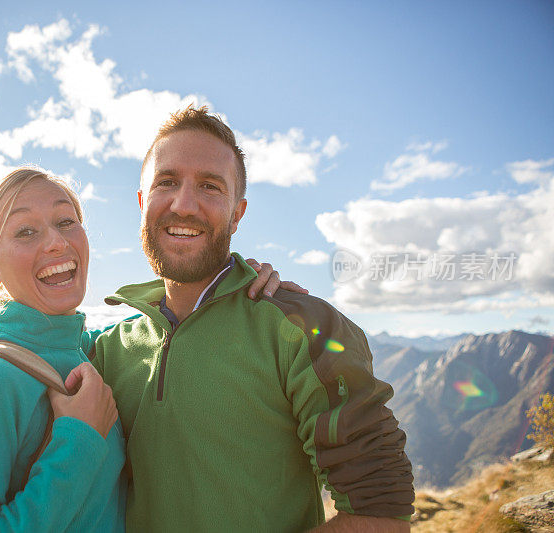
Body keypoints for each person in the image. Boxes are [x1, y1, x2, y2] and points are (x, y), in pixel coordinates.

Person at [0, 167, 300, 532]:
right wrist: (78, 441)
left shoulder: (90, 353)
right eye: (26, 231)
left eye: (66, 222)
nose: (57, 242)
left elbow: (162, 331)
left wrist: (234, 284)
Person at [90, 106, 415, 532]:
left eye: (210, 186)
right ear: (141, 202)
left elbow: (382, 514)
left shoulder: (303, 327)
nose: (183, 204)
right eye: (166, 182)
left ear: (237, 214)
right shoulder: (104, 351)